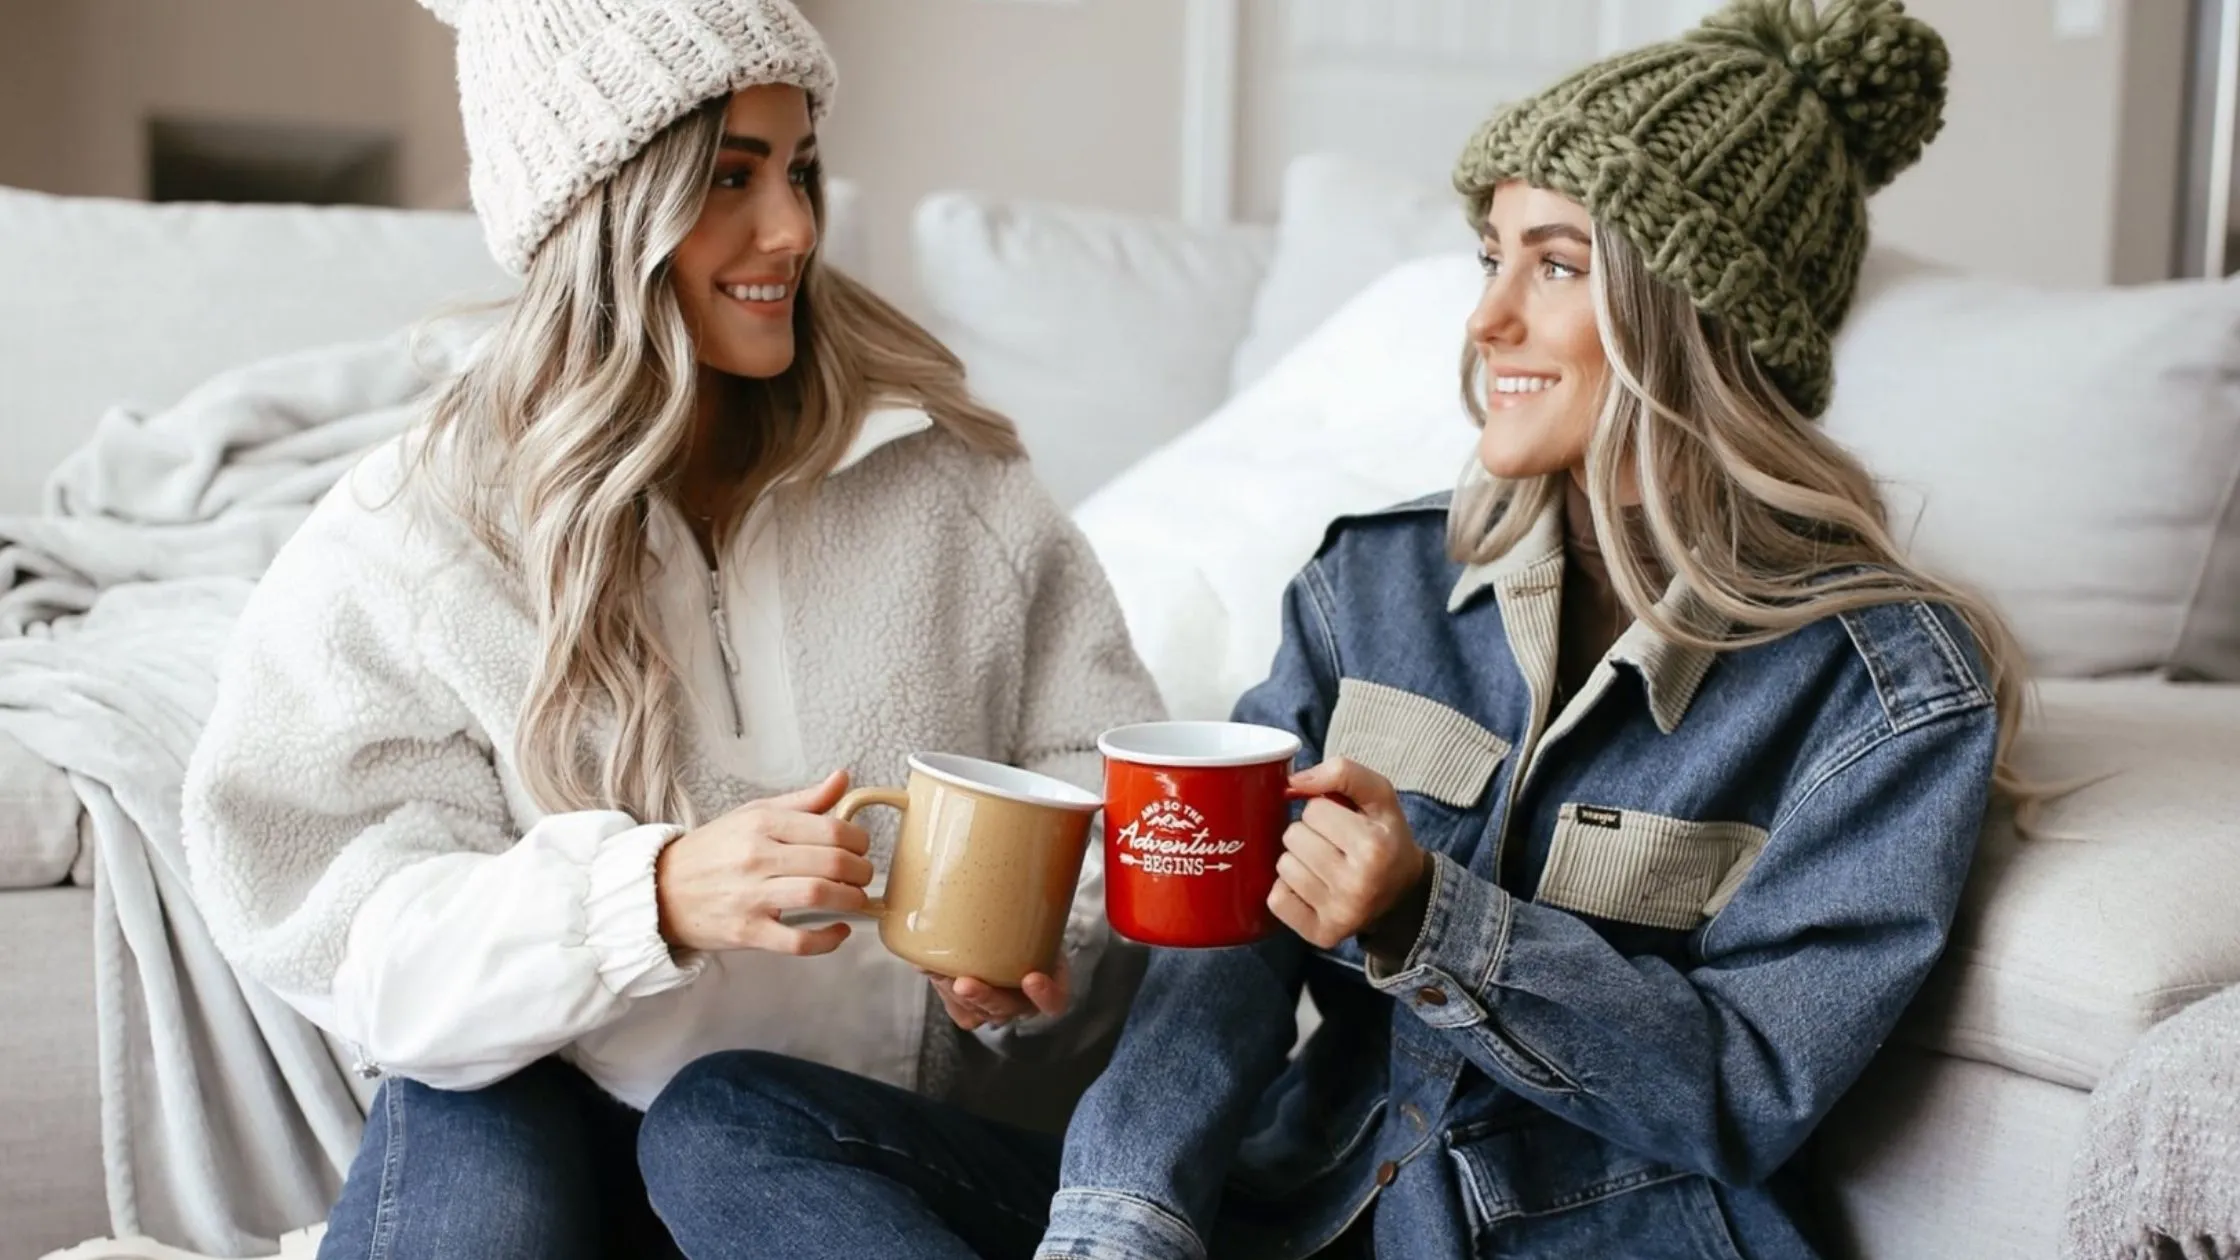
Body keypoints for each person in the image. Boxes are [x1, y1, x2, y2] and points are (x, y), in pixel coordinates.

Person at [628, 2, 2033, 1258]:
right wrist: (1125, 1224)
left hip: (1593, 1234)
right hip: (1292, 1209)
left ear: (1696, 316)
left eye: (1554, 264)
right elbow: (1227, 954)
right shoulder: (1376, 588)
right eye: (1491, 255)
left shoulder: (1889, 695)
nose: (1486, 316)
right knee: (723, 1119)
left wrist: (1433, 916)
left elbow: (1749, 1089)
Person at [179, 0, 1161, 1254]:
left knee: (704, 1128)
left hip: (825, 1150)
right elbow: (350, 942)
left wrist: (1023, 957)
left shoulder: (947, 485)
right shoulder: (418, 530)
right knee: (468, 1103)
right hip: (544, 1112)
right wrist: (645, 896)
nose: (793, 229)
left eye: (799, 167)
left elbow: (1109, 783)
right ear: (599, 213)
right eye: (728, 177)